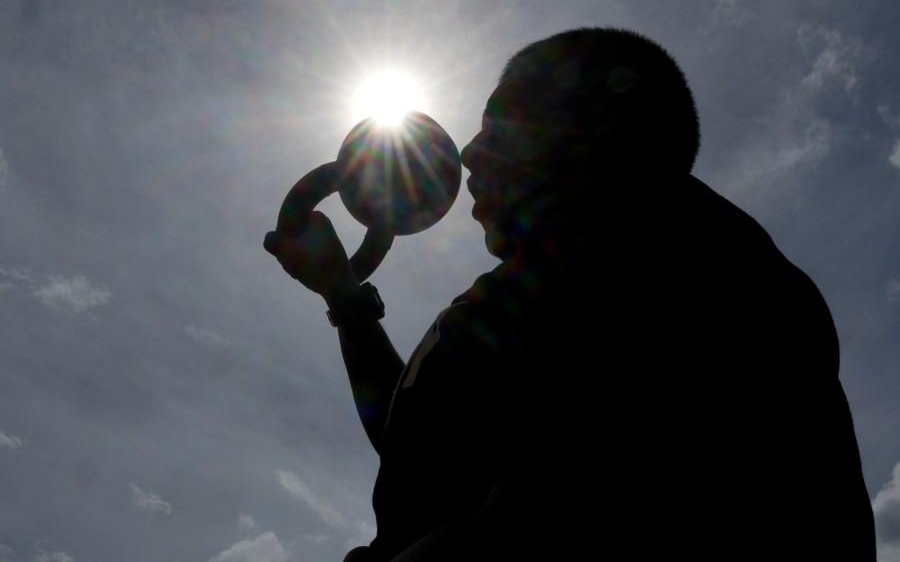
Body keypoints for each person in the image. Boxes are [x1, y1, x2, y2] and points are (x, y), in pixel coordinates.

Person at [266, 27, 875, 561]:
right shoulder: (556, 283)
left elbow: (549, 517)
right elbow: (427, 453)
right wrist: (346, 301)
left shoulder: (682, 270)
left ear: (601, 129)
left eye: (503, 126)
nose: (473, 153)